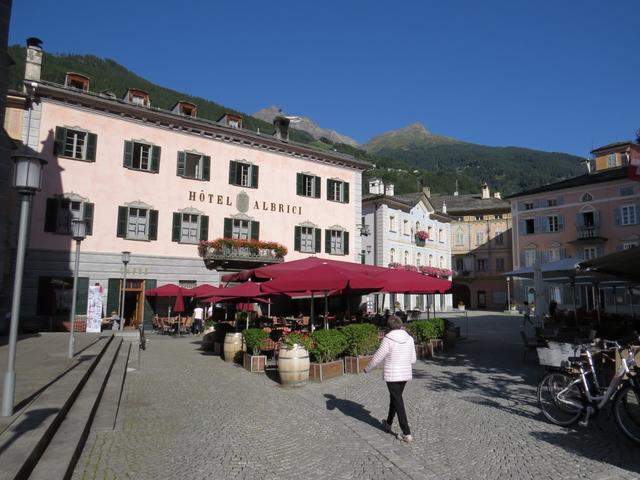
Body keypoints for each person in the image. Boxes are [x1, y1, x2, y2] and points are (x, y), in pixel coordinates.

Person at [363, 315, 417, 443]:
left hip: (392, 375)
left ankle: (406, 433)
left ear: (389, 326)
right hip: (405, 374)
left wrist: (367, 369)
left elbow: (377, 357)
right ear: (400, 325)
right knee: (395, 399)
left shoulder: (387, 339)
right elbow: (413, 360)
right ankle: (388, 423)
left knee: (398, 401)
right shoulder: (409, 339)